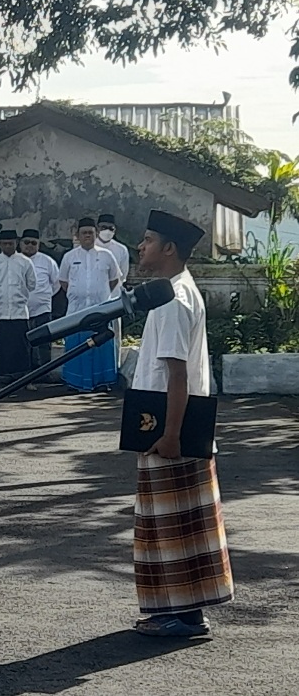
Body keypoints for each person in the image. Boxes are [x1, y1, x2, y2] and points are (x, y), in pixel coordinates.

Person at [128, 210, 232, 637]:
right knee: (179, 523)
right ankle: (182, 612)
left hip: (171, 427)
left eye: (148, 240)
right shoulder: (172, 292)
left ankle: (184, 616)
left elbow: (176, 373)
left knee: (171, 526)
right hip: (177, 423)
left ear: (169, 249)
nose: (140, 246)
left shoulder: (172, 298)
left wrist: (170, 434)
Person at [58, 217, 121, 392]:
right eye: (84, 233)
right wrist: (78, 293)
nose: (88, 236)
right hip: (76, 312)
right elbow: (63, 282)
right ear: (77, 235)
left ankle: (102, 382)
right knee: (76, 348)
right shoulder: (69, 257)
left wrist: (98, 294)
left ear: (96, 234)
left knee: (101, 345)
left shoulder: (107, 256)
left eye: (91, 233)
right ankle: (75, 383)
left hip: (100, 311)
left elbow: (114, 280)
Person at [0, 230, 36, 383]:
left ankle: (24, 379)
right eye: (4, 243)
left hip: (19, 313)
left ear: (16, 243)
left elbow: (32, 284)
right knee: (1, 346)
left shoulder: (25, 262)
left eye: (10, 243)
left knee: (22, 346)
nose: (7, 246)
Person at [21, 229, 61, 374]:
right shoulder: (16, 260)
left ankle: (44, 373)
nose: (30, 245)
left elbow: (57, 284)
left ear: (38, 244)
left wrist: (43, 297)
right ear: (21, 243)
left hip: (42, 310)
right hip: (19, 312)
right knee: (23, 344)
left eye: (33, 243)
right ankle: (25, 373)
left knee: (43, 342)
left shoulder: (47, 261)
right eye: (27, 242)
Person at [97, 212, 131, 373]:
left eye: (110, 228)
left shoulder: (121, 249)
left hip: (115, 299)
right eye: (103, 228)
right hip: (93, 301)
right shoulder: (90, 247)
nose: (106, 231)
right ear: (97, 228)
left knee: (115, 334)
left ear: (115, 230)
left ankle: (114, 369)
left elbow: (122, 275)